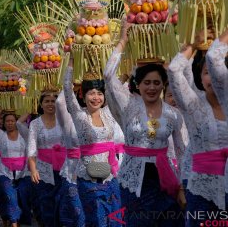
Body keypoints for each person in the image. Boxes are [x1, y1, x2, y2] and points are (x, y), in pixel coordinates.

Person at [104, 18, 186, 226]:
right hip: (133, 182)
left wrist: (182, 186)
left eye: (157, 83)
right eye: (146, 83)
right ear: (138, 85)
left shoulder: (173, 114)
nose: (151, 87)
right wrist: (123, 40)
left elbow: (181, 151)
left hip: (165, 180)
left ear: (163, 85)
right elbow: (107, 75)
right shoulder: (128, 106)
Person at [168, 29, 228, 225]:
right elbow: (175, 70)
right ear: (200, 78)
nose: (213, 77)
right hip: (201, 189)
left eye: (217, 71)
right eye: (206, 72)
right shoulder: (193, 104)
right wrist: (193, 45)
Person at [64, 62, 124, 227]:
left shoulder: (109, 113)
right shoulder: (79, 116)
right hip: (89, 179)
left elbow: (119, 86)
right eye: (91, 93)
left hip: (111, 176)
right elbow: (67, 91)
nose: (96, 97)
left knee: (117, 220)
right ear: (83, 96)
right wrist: (71, 62)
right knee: (97, 221)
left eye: (99, 93)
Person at [0, 109, 32, 227]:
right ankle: (13, 221)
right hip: (4, 172)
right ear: (4, 123)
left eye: (12, 121)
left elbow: (23, 121)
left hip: (22, 172)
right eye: (7, 121)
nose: (10, 123)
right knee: (9, 196)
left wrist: (30, 107)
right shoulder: (1, 135)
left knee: (22, 198)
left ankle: (16, 219)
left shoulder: (24, 135)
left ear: (16, 122)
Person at [27, 91, 64, 227]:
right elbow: (31, 148)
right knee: (46, 203)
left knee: (63, 202)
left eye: (53, 101)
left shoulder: (64, 119)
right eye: (46, 101)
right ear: (41, 104)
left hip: (63, 168)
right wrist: (33, 169)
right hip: (43, 169)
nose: (50, 104)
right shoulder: (35, 124)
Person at [55, 91, 85, 227]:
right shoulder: (69, 120)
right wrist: (70, 84)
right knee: (76, 212)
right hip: (73, 171)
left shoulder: (103, 116)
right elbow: (60, 103)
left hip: (98, 171)